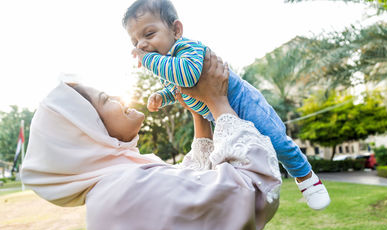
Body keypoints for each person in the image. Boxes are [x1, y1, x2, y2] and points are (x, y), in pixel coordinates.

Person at [21, 51, 282, 230]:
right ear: (89, 132)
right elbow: (253, 191)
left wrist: (199, 113)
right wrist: (218, 102)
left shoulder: (118, 183)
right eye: (105, 100)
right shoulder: (125, 190)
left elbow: (193, 180)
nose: (116, 97)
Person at [122, 0, 330, 210]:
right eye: (135, 42)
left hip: (244, 103)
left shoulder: (187, 48)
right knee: (243, 155)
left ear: (176, 30)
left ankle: (307, 178)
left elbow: (188, 75)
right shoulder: (168, 65)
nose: (141, 46)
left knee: (277, 141)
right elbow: (178, 89)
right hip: (221, 116)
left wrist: (147, 60)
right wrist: (162, 96)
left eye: (148, 35)